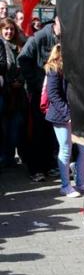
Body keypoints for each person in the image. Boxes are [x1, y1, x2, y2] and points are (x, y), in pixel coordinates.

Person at [43, 43, 84, 196]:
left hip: (76, 114)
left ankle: (80, 182)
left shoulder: (75, 67)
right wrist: (67, 114)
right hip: (61, 115)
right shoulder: (53, 69)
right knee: (65, 149)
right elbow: (53, 95)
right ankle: (65, 186)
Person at [18, 15, 61, 181]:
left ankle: (49, 165)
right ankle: (35, 168)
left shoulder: (65, 37)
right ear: (56, 21)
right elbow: (23, 58)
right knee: (37, 130)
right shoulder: (40, 36)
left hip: (55, 93)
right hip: (39, 93)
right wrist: (35, 82)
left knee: (51, 131)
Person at [0, 17, 27, 168]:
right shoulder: (0, 45)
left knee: (15, 128)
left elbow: (24, 66)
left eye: (11, 29)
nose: (9, 32)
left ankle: (10, 158)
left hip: (18, 95)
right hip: (5, 92)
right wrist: (10, 83)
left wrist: (21, 81)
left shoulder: (19, 46)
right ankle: (5, 158)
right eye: (6, 29)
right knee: (4, 128)